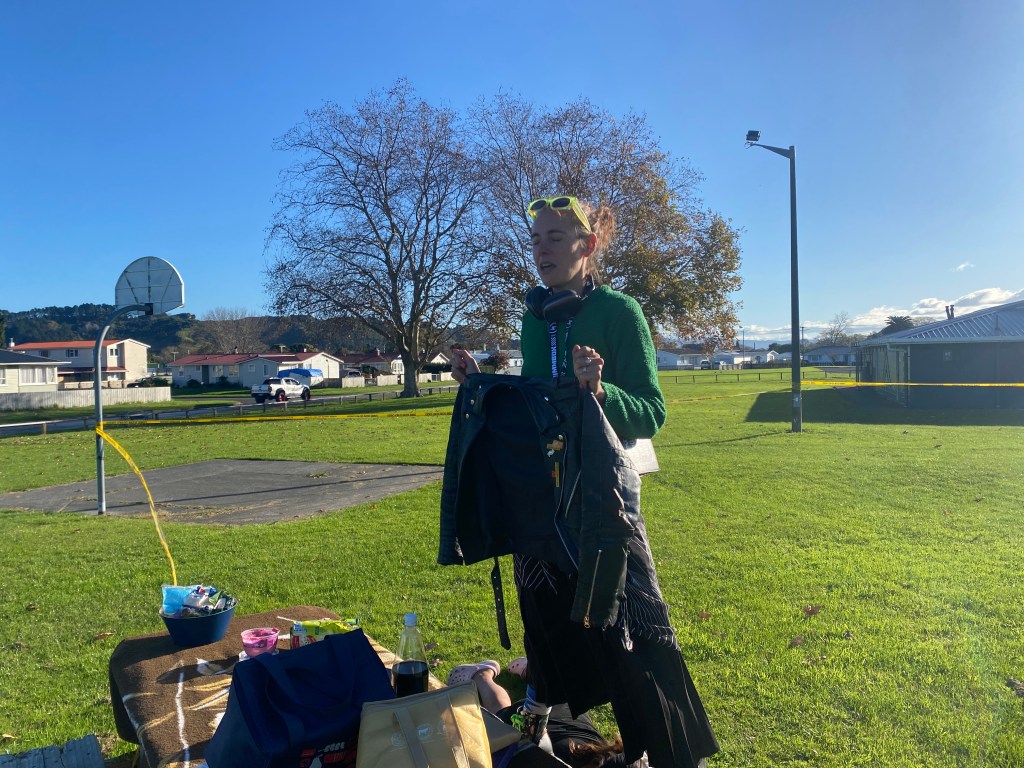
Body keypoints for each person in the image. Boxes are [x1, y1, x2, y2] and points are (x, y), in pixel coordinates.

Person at [447, 195, 717, 767]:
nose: (541, 249)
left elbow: (650, 413)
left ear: (587, 246)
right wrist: (479, 386)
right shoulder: (533, 317)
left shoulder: (620, 313)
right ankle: (537, 737)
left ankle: (670, 753)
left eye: (555, 238)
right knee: (545, 623)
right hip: (538, 503)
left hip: (603, 505)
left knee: (629, 626)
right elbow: (534, 406)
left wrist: (600, 390)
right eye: (536, 238)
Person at [446, 660, 637, 768]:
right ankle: (482, 675)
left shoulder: (604, 752)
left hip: (564, 706)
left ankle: (532, 669)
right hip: (532, 721)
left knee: (544, 687)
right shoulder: (551, 761)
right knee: (500, 712)